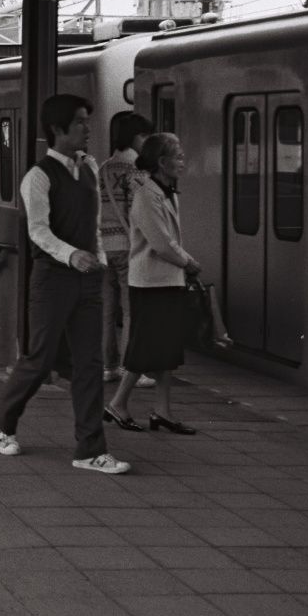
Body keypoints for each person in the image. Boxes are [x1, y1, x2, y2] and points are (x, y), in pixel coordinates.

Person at [0, 94, 131, 475]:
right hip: (52, 279)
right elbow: (38, 230)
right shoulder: (37, 177)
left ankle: (90, 449)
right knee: (40, 359)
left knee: (90, 363)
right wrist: (72, 255)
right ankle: (2, 421)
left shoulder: (89, 168)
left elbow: (95, 223)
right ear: (57, 129)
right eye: (81, 122)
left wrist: (98, 258)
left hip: (87, 279)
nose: (88, 128)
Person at [104, 132, 201, 435]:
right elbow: (161, 242)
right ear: (162, 161)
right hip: (151, 282)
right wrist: (188, 262)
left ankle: (162, 411)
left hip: (165, 280)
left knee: (165, 349)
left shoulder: (163, 190)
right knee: (146, 347)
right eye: (179, 156)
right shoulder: (146, 194)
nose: (183, 161)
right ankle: (118, 404)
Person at [98, 112, 155, 389]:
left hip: (103, 248)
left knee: (107, 310)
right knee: (132, 309)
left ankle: (107, 366)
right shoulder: (136, 171)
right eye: (144, 136)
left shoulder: (103, 169)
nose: (147, 141)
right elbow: (141, 213)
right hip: (127, 247)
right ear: (135, 137)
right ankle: (130, 366)